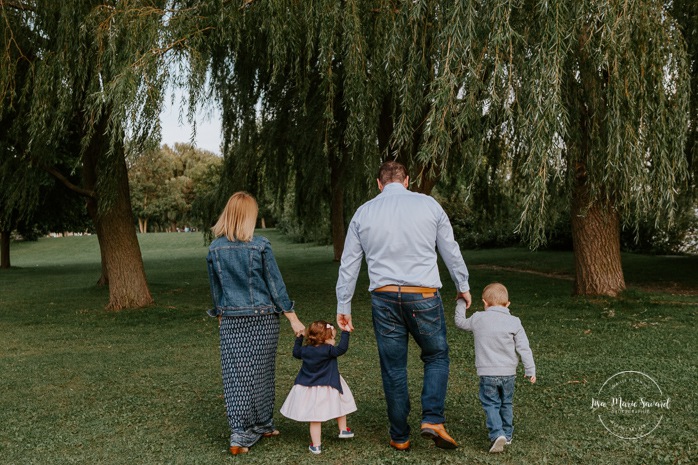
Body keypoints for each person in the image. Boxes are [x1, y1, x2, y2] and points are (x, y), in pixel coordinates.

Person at [335, 160, 472, 451]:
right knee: (436, 355)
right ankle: (432, 418)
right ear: (407, 180)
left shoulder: (363, 213)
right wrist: (463, 286)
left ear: (379, 183)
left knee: (393, 368)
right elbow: (450, 248)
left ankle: (400, 436)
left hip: (384, 298)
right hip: (422, 295)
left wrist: (343, 304)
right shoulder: (429, 205)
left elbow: (349, 264)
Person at [206, 192, 305, 455]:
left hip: (231, 320)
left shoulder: (215, 249)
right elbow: (275, 285)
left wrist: (220, 316)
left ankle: (257, 425)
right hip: (262, 320)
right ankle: (242, 433)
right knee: (260, 374)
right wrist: (293, 319)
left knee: (236, 376)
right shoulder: (260, 245)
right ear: (248, 216)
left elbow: (216, 290)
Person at [454, 282, 536, 453]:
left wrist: (461, 301)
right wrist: (530, 370)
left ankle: (497, 433)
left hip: (487, 373)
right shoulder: (514, 321)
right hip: (509, 374)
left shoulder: (478, 318)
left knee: (491, 404)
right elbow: (524, 348)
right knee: (506, 403)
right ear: (508, 304)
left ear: (484, 303)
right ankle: (507, 434)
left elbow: (460, 322)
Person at [280, 320, 357, 455]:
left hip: (308, 387)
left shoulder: (305, 350)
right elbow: (342, 349)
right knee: (341, 405)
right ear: (325, 339)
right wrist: (346, 332)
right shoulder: (328, 350)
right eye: (332, 337)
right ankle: (343, 429)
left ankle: (316, 446)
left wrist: (299, 337)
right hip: (329, 385)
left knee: (315, 418)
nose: (334, 340)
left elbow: (295, 352)